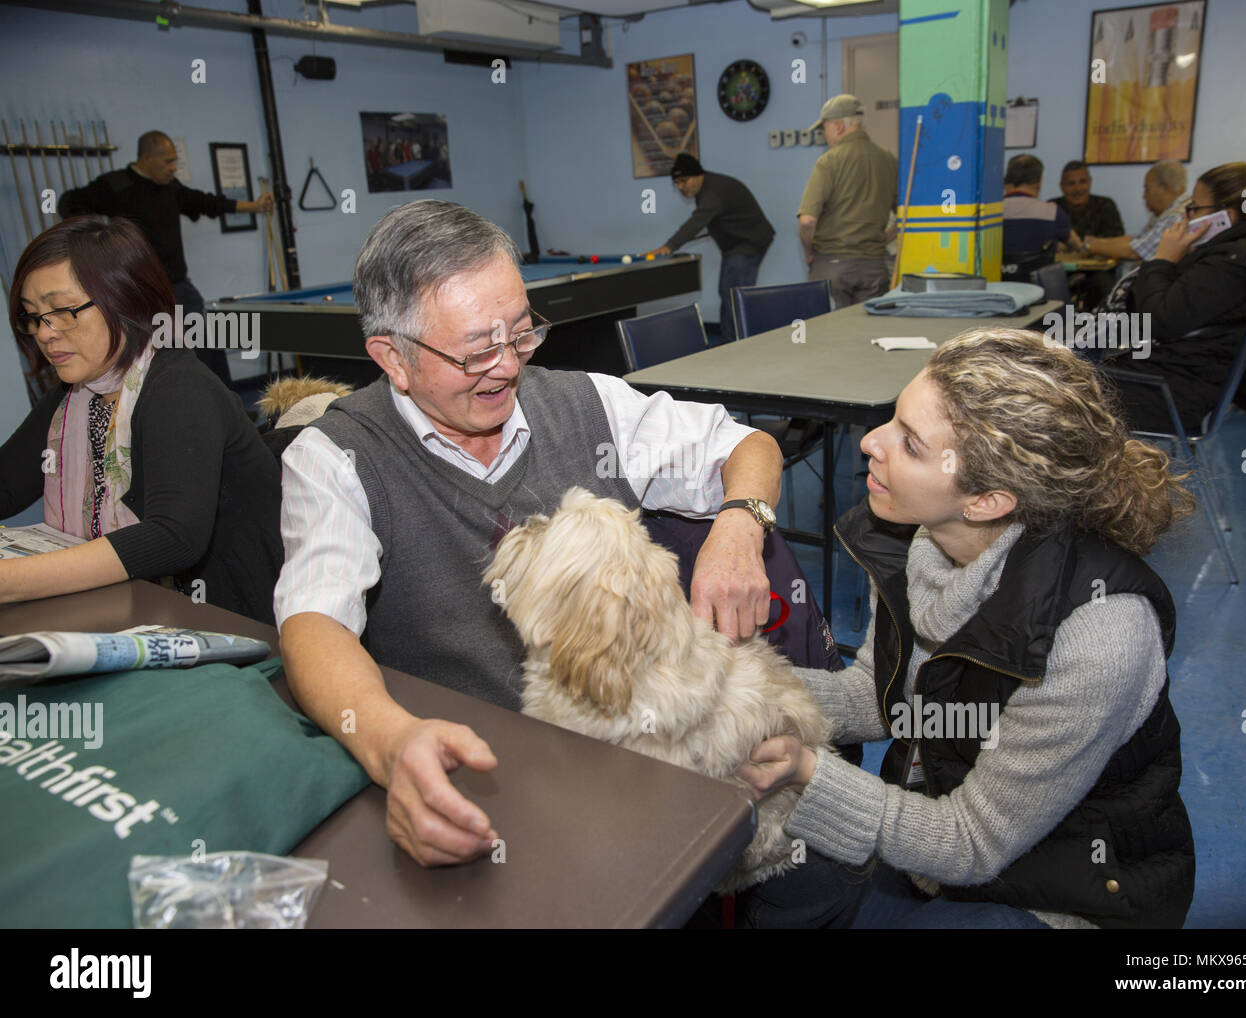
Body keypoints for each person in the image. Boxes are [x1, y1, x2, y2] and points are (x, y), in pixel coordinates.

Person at [275, 200, 865, 924]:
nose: (507, 367)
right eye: (474, 350)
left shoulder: (588, 403)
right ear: (392, 357)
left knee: (829, 878)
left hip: (636, 760)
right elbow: (312, 625)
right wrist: (391, 743)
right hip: (484, 782)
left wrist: (741, 525)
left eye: (520, 332)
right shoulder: (335, 460)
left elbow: (747, 447)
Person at [739, 328, 1197, 929]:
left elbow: (973, 842)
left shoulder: (1099, 636)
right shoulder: (922, 543)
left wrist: (805, 770)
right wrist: (729, 680)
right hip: (938, 842)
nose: (870, 443)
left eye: (909, 444)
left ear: (986, 501)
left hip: (1063, 893)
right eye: (890, 420)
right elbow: (878, 699)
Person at [0, 216, 284, 621]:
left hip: (235, 622)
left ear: (125, 299)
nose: (45, 333)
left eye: (62, 311)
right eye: (33, 316)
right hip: (144, 612)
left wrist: (11, 580)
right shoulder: (75, 396)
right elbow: (6, 485)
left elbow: (173, 537)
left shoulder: (179, 387)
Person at [1098, 152, 1246, 432]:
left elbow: (1155, 321)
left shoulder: (1229, 266)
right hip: (1185, 380)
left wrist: (1162, 260)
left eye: (1194, 208)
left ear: (1224, 217)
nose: (1186, 215)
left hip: (1170, 393)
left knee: (1052, 383)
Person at [57, 131, 273, 390]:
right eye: (167, 162)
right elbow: (67, 203)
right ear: (147, 158)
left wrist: (254, 207)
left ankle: (227, 406)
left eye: (175, 162)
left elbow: (205, 202)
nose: (173, 168)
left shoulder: (170, 187)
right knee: (165, 354)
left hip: (179, 286)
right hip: (141, 292)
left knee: (208, 343)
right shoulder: (116, 186)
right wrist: (98, 246)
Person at [644, 153, 775, 342]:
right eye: (677, 183)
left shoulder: (712, 193)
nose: (681, 187)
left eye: (683, 180)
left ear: (697, 175)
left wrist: (669, 247)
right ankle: (730, 342)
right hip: (738, 245)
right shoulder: (709, 188)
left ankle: (740, 344)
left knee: (734, 297)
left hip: (748, 244)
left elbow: (696, 222)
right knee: (728, 293)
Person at [797, 94, 898, 307]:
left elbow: (807, 222)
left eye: (824, 129)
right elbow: (908, 217)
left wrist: (808, 253)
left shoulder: (829, 161)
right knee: (868, 334)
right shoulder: (888, 159)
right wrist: (881, 240)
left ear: (838, 126)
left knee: (830, 335)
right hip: (874, 266)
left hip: (832, 266)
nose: (825, 136)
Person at [1082, 159, 1190, 265]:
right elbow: (1137, 239)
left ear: (1164, 187)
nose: (1144, 196)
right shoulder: (1168, 212)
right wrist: (1096, 242)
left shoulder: (1177, 217)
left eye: (1147, 189)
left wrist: (1089, 247)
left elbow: (1134, 251)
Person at [1002, 154, 1079, 258]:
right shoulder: (1053, 212)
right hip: (1038, 273)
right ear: (1039, 182)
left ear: (1008, 179)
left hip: (998, 273)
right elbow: (1075, 245)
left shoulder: (992, 212)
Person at [1052, 160, 1125, 239]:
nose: (1078, 189)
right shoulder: (1052, 208)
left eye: (1083, 182)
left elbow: (1117, 239)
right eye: (1071, 183)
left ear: (1090, 183)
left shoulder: (1105, 205)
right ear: (1062, 187)